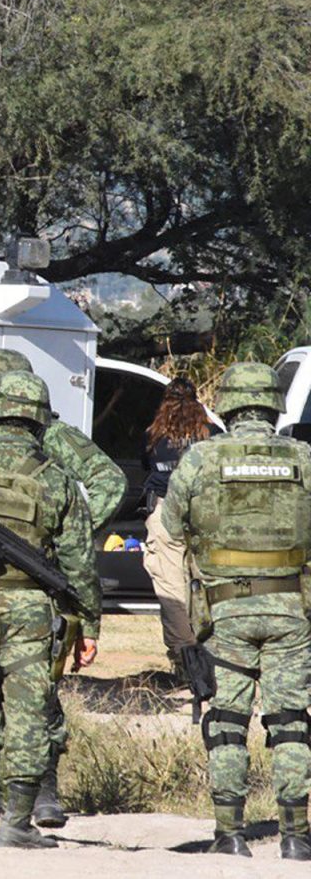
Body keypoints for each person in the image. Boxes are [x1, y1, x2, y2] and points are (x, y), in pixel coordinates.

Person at [0, 348, 125, 826]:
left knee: (34, 696)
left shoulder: (49, 437)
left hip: (35, 585)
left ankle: (39, 795)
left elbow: (109, 483)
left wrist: (46, 543)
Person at [157, 362, 311, 859]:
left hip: (223, 613)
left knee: (226, 722)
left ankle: (231, 835)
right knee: (291, 721)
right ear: (272, 406)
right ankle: (296, 838)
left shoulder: (201, 459)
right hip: (291, 610)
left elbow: (171, 528)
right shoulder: (304, 459)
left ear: (225, 405)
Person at [140, 378, 220, 663]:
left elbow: (145, 464)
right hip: (206, 514)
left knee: (170, 585)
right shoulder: (212, 433)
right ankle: (211, 650)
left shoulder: (154, 434)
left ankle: (184, 656)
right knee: (209, 582)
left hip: (165, 511)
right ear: (197, 400)